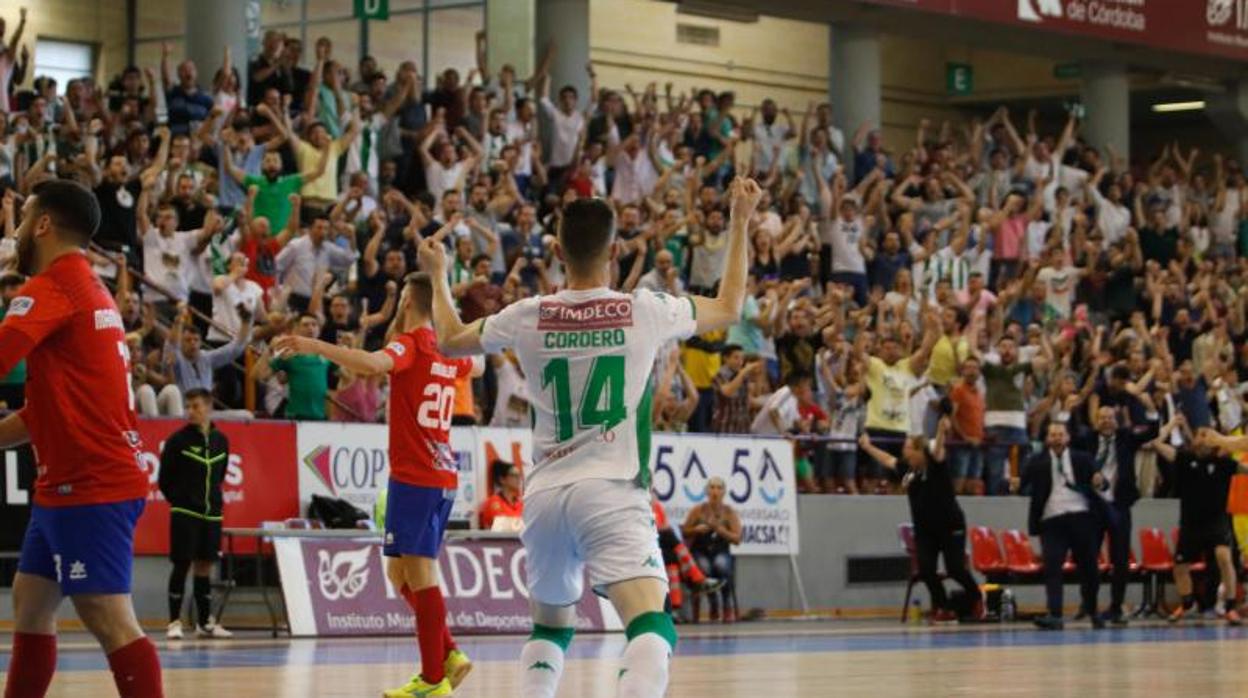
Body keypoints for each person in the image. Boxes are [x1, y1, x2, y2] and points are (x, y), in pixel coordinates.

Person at [416, 176, 765, 698]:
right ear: (616, 250)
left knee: (551, 629)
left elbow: (449, 338)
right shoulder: (644, 308)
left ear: (556, 251)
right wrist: (739, 221)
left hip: (545, 495)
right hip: (611, 488)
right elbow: (729, 306)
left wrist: (440, 276)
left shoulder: (529, 314)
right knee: (651, 624)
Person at [273, 270, 481, 697]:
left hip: (417, 475)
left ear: (407, 301)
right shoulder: (445, 348)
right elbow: (475, 363)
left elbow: (371, 364)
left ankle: (432, 679)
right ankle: (449, 654)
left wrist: (314, 345)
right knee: (398, 571)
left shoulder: (413, 344)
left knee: (420, 574)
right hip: (438, 472)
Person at [0, 180, 164, 697]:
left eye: (23, 219)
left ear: (43, 224)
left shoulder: (52, 288)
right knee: (31, 600)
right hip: (72, 484)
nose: (18, 232)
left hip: (91, 484)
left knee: (108, 617)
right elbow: (46, 409)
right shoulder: (89, 289)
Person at [859, 417, 984, 622]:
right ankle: (944, 607)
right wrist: (868, 446)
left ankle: (977, 597)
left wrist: (941, 431)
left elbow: (938, 450)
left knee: (955, 569)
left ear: (919, 451)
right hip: (925, 530)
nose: (904, 451)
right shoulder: (908, 470)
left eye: (908, 448)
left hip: (950, 526)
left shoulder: (935, 465)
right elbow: (888, 460)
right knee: (925, 570)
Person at [1152, 424, 1248, 625]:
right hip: (1190, 523)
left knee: (1223, 556)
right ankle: (1187, 604)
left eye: (1208, 434)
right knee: (1180, 567)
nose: (1205, 438)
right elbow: (1158, 444)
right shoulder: (1185, 459)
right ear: (1193, 440)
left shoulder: (1224, 463)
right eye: (1200, 435)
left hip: (1216, 521)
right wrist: (1171, 425)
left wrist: (1225, 443)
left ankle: (1230, 607)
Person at [157, 388, 232, 640]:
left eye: (196, 406)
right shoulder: (177, 441)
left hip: (212, 514)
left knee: (204, 565)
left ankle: (204, 623)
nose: (190, 411)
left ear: (209, 407)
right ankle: (174, 622)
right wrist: (182, 500)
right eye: (187, 407)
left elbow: (219, 477)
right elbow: (164, 480)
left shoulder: (221, 440)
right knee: (182, 564)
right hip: (185, 511)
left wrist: (211, 500)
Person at [1020, 421, 1105, 631]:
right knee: (1052, 567)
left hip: (1081, 517)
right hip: (1052, 520)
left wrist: (1099, 481)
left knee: (1089, 568)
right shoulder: (1036, 461)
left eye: (1060, 434)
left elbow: (1102, 481)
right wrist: (1012, 484)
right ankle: (1055, 614)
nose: (1057, 438)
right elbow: (1020, 484)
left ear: (1067, 438)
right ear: (1047, 439)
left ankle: (1093, 610)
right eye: (1052, 435)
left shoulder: (1082, 459)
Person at [1078, 405, 1143, 626]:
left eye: (1110, 417)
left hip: (1119, 504)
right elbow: (1067, 436)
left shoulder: (1125, 438)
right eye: (1102, 417)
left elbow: (1152, 431)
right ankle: (1088, 606)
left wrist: (1151, 409)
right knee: (1088, 557)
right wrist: (1066, 412)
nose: (1106, 421)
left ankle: (1116, 607)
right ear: (1096, 420)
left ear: (1116, 420)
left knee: (1121, 559)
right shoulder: (1087, 439)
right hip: (1093, 505)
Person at [681, 477, 743, 623]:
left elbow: (737, 539)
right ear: (707, 491)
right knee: (704, 568)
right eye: (712, 487)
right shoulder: (698, 510)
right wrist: (696, 529)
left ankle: (726, 605)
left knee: (721, 565)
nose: (715, 491)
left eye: (719, 488)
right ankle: (713, 602)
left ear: (724, 492)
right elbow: (684, 532)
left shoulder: (729, 512)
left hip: (720, 551)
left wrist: (720, 529)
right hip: (701, 550)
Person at [479, 460, 523, 530]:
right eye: (514, 475)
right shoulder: (493, 502)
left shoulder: (520, 503)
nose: (518, 479)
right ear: (502, 479)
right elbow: (500, 526)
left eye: (519, 475)